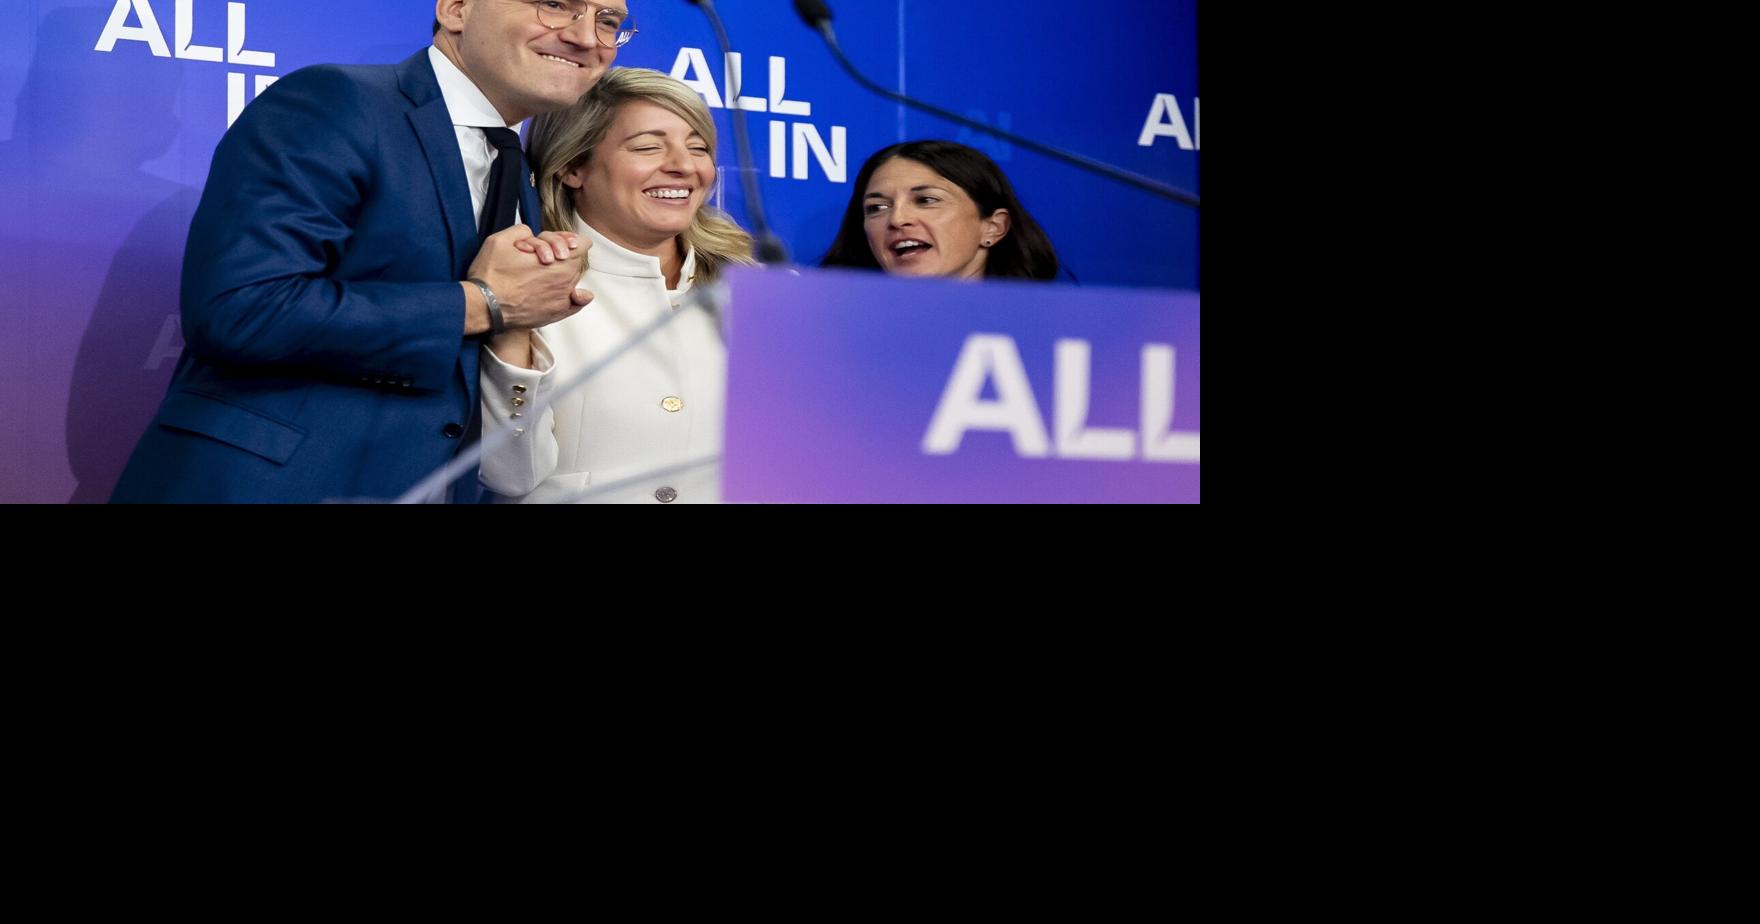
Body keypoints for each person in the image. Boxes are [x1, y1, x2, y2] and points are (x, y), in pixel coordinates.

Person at [110, 1, 640, 503]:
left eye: (608, 20)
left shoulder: (515, 166)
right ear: (456, 9)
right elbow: (242, 308)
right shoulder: (336, 102)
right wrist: (483, 304)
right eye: (553, 4)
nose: (584, 36)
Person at [478, 68, 755, 503]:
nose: (684, 166)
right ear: (572, 165)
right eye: (647, 147)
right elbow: (510, 475)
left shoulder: (757, 293)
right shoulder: (527, 283)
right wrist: (512, 328)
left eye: (698, 148)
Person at [820, 140, 1060, 281]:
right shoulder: (835, 332)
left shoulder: (1053, 334)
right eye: (877, 207)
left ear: (993, 227)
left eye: (926, 200)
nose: (897, 219)